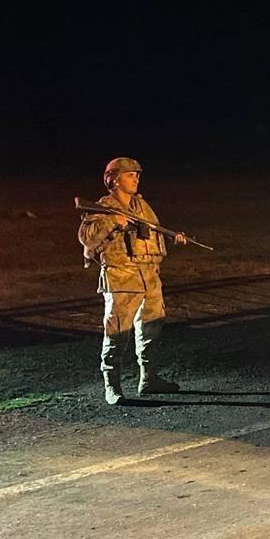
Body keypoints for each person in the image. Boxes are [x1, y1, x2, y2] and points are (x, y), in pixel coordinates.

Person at [77, 157, 187, 405]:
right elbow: (87, 238)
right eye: (130, 175)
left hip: (149, 276)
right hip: (122, 278)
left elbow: (153, 231)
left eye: (137, 174)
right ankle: (112, 385)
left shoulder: (142, 206)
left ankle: (149, 379)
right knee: (117, 332)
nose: (136, 178)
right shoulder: (103, 208)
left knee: (151, 328)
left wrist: (174, 238)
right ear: (114, 180)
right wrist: (113, 221)